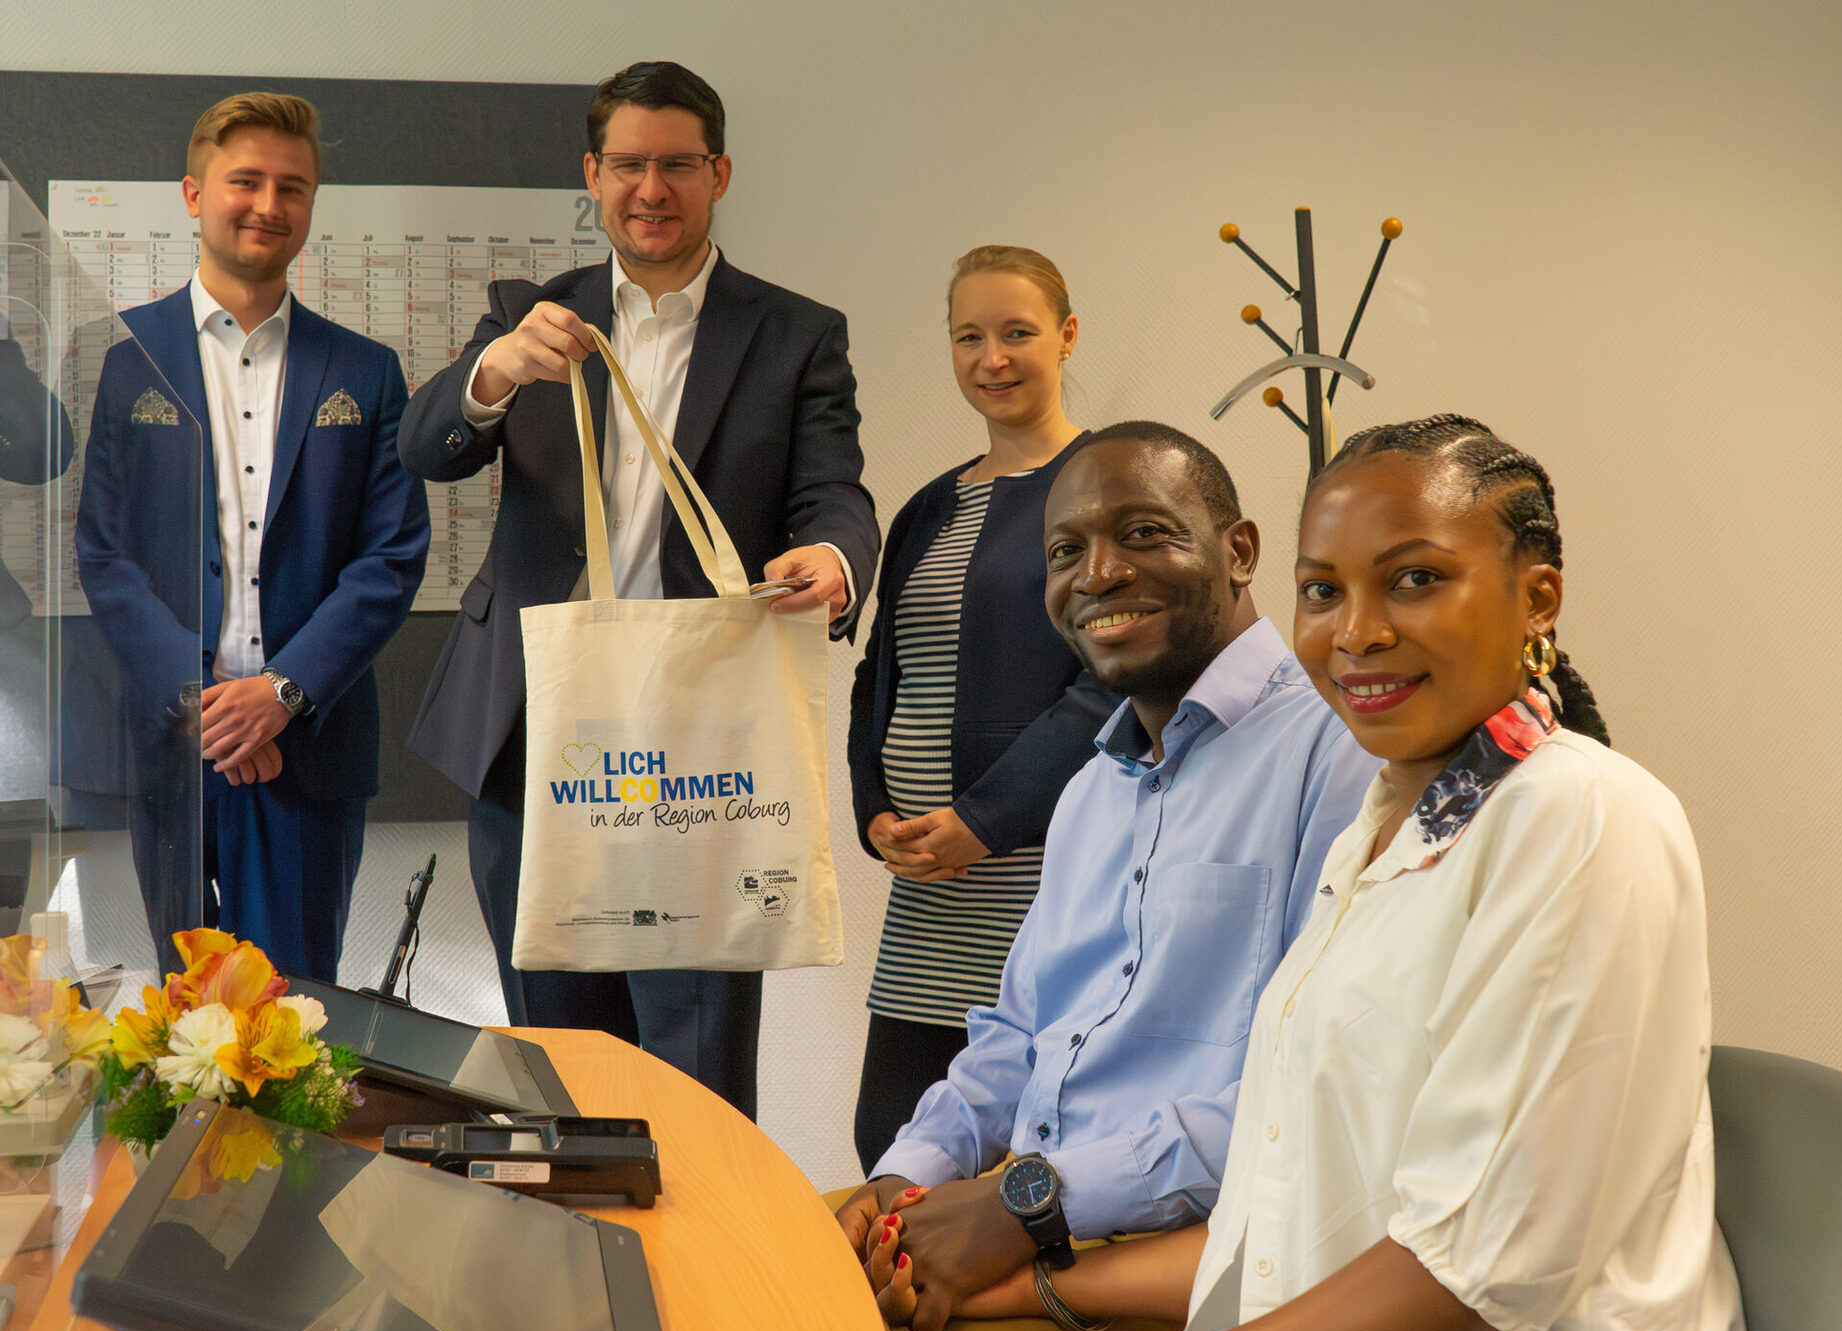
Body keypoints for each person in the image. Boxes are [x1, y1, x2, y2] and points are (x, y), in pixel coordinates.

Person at [893, 415, 1745, 1331]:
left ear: (1538, 599)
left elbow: (1466, 1276)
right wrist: (1033, 1288)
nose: (1357, 633)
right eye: (1324, 591)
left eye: (1415, 580)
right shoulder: (1381, 836)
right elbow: (1286, 1212)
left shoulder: (1581, 814)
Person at [833, 421, 1376, 1331]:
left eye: (1143, 533)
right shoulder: (1089, 792)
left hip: (1184, 1266)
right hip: (1026, 1215)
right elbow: (1015, 1036)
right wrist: (904, 1181)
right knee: (754, 1277)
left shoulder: (1339, 754)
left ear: (1239, 551)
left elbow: (1312, 1092)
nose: (1098, 574)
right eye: (1065, 551)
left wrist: (1028, 1207)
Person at [398, 61, 879, 1119]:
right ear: (593, 175)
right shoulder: (530, 315)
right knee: (553, 1064)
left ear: (720, 175)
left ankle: (701, 1234)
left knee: (694, 1065)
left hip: (703, 745)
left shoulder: (796, 332)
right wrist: (493, 372)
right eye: (627, 166)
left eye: (677, 166)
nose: (650, 190)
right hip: (531, 730)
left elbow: (834, 492)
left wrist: (835, 559)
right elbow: (425, 447)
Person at [75, 92, 429, 980]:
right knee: (184, 1011)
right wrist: (207, 705)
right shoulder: (123, 358)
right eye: (246, 181)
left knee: (294, 1009)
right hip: (175, 745)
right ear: (195, 194)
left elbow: (390, 559)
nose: (269, 204)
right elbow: (105, 557)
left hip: (306, 749)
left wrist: (280, 693)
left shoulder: (366, 372)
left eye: (292, 186)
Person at [846, 245, 1119, 1172]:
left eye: (1017, 333)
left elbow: (1109, 686)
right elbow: (879, 676)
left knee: (1026, 1162)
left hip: (1038, 881)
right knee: (889, 1143)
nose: (992, 358)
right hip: (928, 893)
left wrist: (984, 821)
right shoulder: (929, 505)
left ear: (1067, 336)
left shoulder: (1104, 489)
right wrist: (874, 812)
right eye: (969, 337)